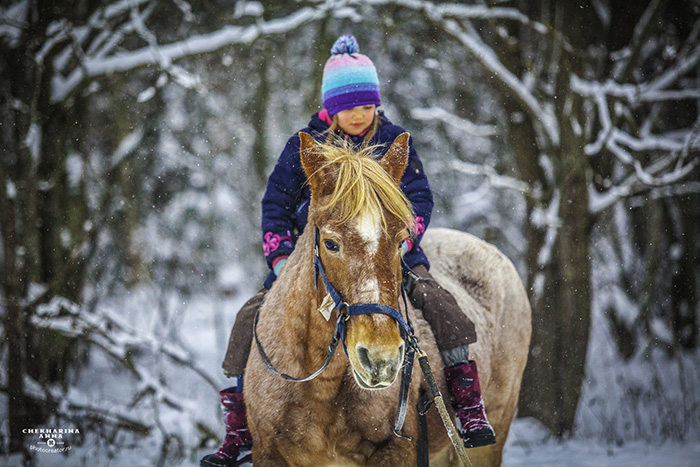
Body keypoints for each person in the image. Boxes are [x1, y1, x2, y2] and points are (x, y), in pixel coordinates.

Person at [200, 35, 495, 467]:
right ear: (330, 108)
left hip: (390, 253)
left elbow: (420, 196)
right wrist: (281, 257)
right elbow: (276, 206)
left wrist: (406, 238)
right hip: (318, 258)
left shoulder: (393, 143)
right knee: (250, 319)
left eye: (367, 105)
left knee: (442, 306)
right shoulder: (309, 146)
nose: (360, 114)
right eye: (350, 106)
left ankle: (467, 403)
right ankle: (240, 428)